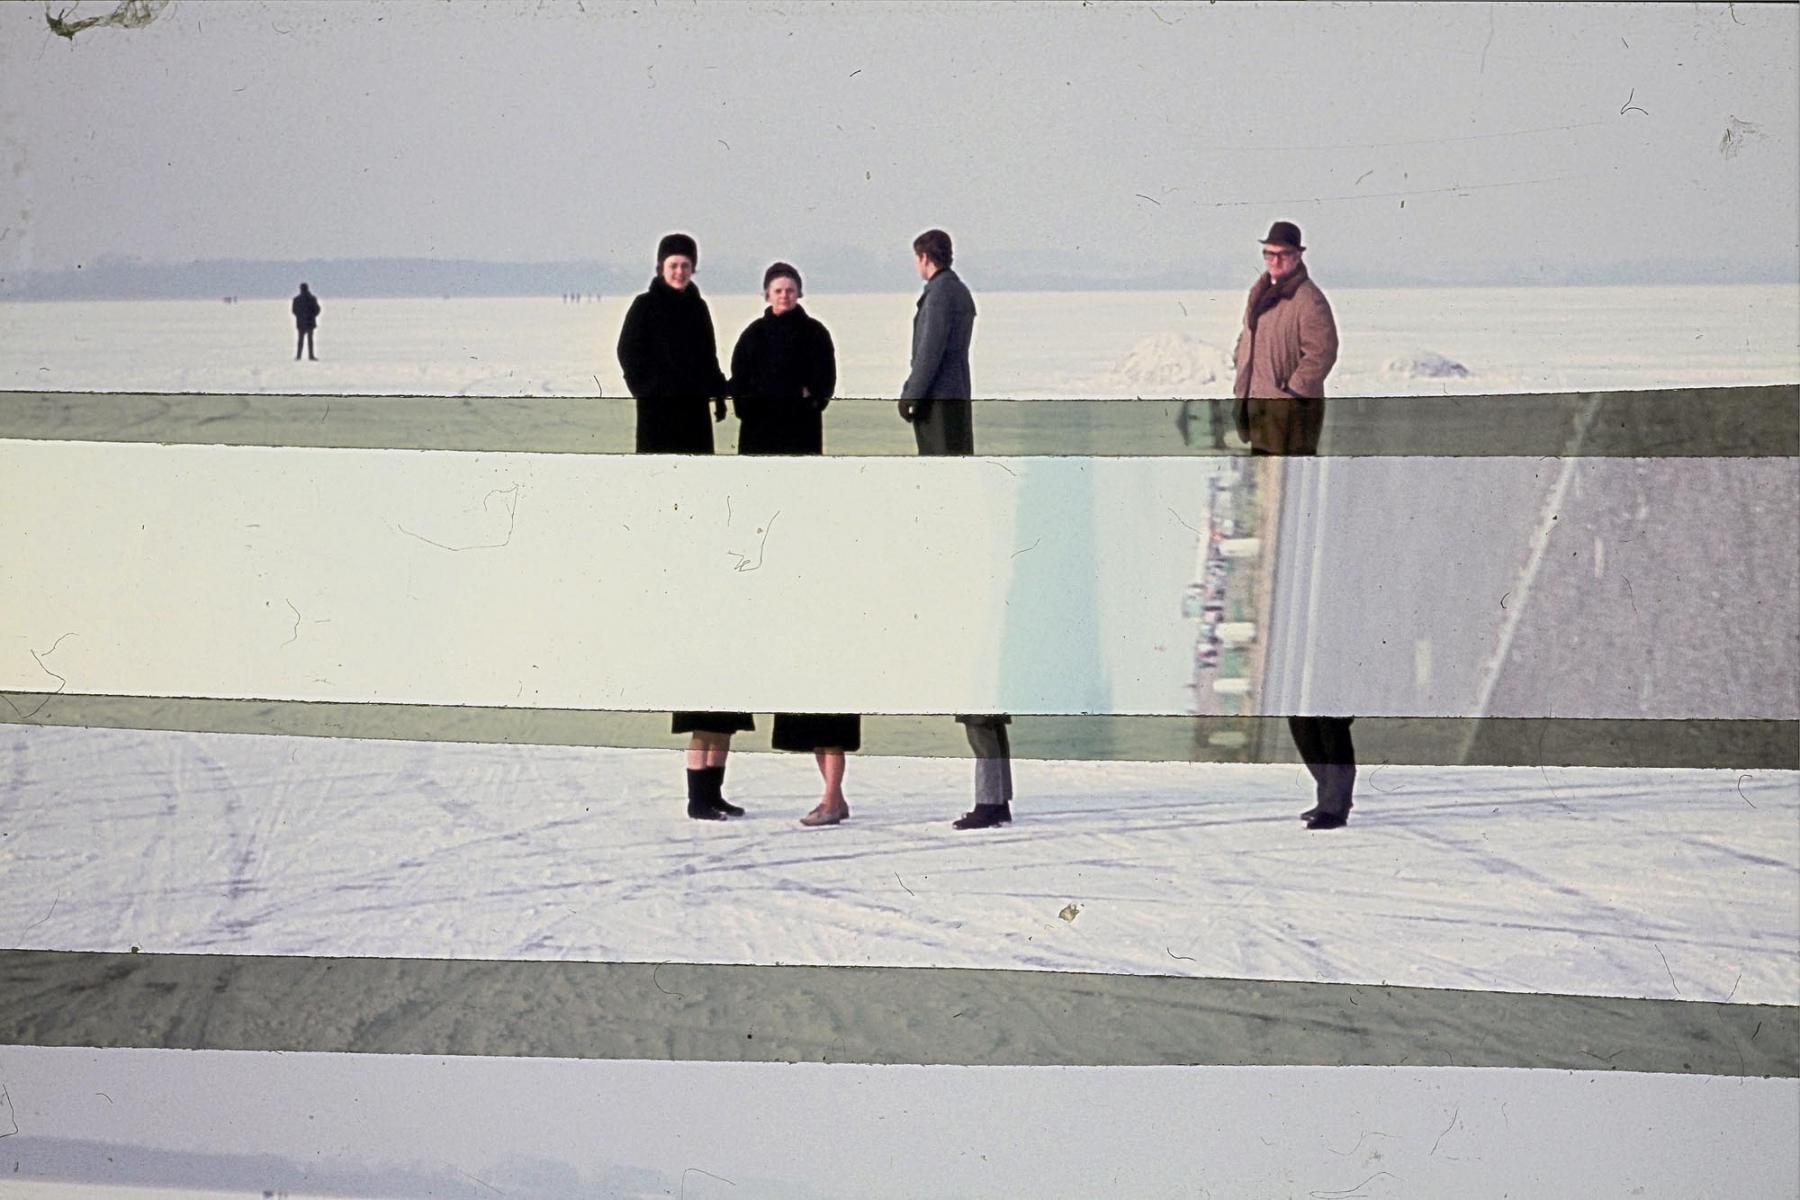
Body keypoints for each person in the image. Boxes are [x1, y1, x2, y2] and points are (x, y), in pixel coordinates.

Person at [618, 233, 747, 821]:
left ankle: (711, 794)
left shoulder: (697, 307)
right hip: (659, 414)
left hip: (692, 413)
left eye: (686, 265)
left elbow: (708, 356)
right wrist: (649, 389)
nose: (679, 272)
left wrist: (718, 392)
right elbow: (629, 356)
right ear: (660, 266)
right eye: (673, 264)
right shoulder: (645, 307)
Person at [726, 262, 860, 826]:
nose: (783, 296)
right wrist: (751, 404)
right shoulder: (752, 336)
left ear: (800, 293)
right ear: (766, 294)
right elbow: (737, 382)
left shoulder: (814, 333)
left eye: (790, 290)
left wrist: (811, 399)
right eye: (776, 290)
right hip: (760, 439)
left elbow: (826, 381)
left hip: (800, 437)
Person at [1231, 220, 1353, 830]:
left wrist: (1292, 389)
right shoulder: (1262, 294)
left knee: (1291, 495)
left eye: (1281, 253)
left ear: (1298, 255)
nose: (1274, 260)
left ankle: (1336, 798)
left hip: (1289, 419)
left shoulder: (1308, 299)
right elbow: (1247, 346)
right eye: (1268, 253)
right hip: (1262, 417)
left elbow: (1321, 352)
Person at [894, 229, 1016, 830]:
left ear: (925, 259)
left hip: (940, 401)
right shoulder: (957, 290)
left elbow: (929, 353)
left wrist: (910, 396)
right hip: (955, 400)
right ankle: (996, 799)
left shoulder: (941, 295)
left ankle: (993, 802)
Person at [291, 283, 320, 361]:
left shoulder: (297, 299)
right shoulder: (312, 298)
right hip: (310, 322)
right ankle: (310, 356)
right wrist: (312, 315)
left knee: (300, 340)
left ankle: (299, 356)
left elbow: (294, 311)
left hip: (301, 322)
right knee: (310, 340)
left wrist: (300, 316)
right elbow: (317, 310)